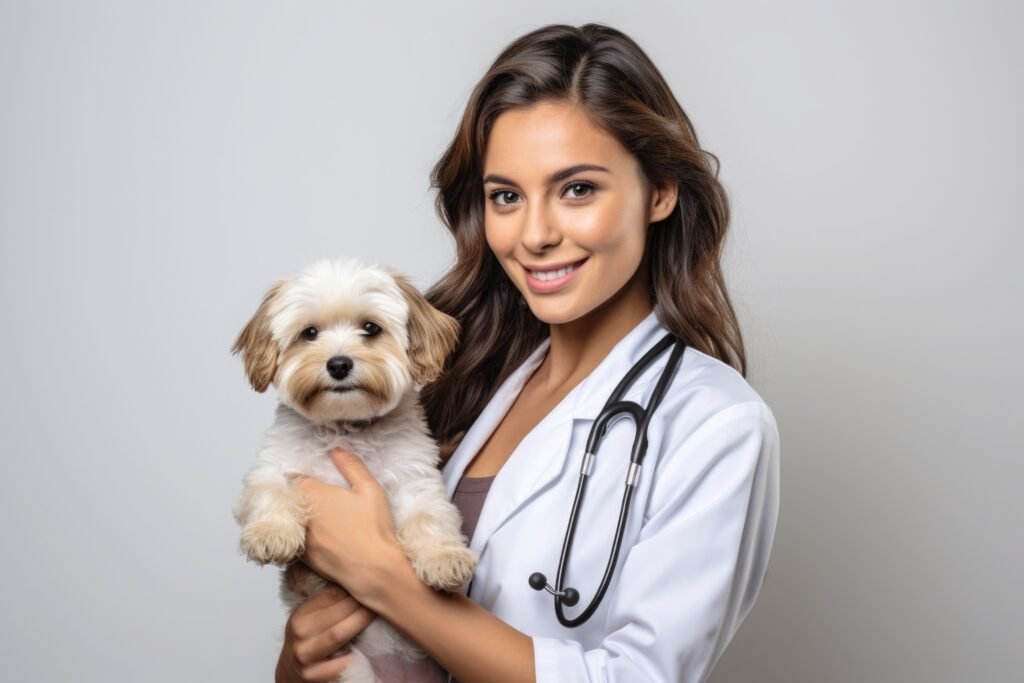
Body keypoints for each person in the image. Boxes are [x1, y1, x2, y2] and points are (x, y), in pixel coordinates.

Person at [275, 22, 780, 683]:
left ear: (659, 191)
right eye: (506, 196)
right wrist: (299, 656)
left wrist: (386, 576)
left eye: (577, 189)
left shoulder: (717, 425)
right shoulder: (463, 377)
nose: (536, 234)